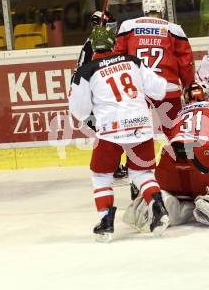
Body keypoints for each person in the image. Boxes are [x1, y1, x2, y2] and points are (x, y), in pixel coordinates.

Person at [69, 26, 170, 242]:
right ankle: (158, 207)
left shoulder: (86, 71)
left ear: (94, 47)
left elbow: (79, 111)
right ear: (114, 43)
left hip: (110, 129)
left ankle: (105, 221)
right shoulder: (132, 61)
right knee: (142, 174)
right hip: (141, 125)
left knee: (101, 176)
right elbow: (160, 89)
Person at [123, 82, 209, 229]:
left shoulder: (179, 114)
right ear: (208, 96)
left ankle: (168, 200)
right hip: (205, 168)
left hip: (169, 170)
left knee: (178, 185)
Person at [114, 0, 195, 137]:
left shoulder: (128, 26)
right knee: (174, 131)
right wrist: (188, 86)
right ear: (162, 8)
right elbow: (186, 63)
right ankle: (180, 159)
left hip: (137, 90)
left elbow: (118, 58)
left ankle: (133, 160)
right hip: (167, 89)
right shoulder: (174, 29)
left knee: (134, 132)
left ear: (144, 8)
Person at [76, 10, 127, 179]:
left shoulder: (94, 41)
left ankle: (112, 165)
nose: (114, 28)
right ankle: (110, 166)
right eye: (110, 24)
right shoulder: (98, 43)